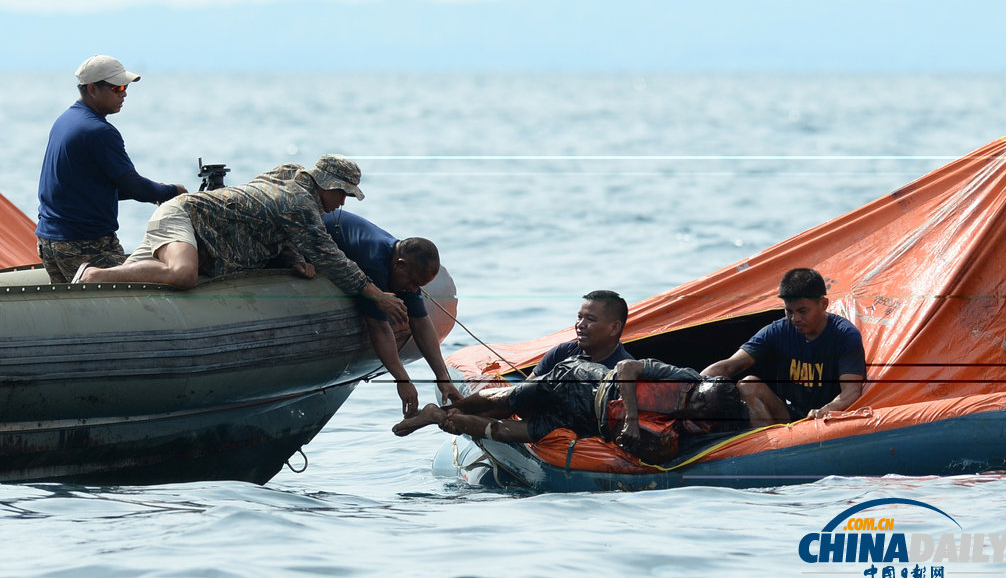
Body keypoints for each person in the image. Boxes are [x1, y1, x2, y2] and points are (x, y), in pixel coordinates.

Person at [75, 155, 408, 326]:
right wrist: (377, 296)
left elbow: (269, 222)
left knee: (137, 285)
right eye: (342, 194)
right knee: (182, 275)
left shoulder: (292, 180)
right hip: (185, 217)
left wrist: (292, 257)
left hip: (205, 237)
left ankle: (92, 298)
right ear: (326, 184)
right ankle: (93, 274)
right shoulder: (300, 203)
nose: (343, 203)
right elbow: (330, 257)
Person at [393, 357, 748, 464]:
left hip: (580, 421)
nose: (691, 406)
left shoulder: (696, 428)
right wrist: (635, 422)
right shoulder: (683, 376)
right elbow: (626, 368)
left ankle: (439, 417)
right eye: (695, 398)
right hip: (577, 381)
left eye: (699, 409)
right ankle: (452, 406)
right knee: (501, 404)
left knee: (505, 431)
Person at [35, 55, 187, 283]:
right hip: (83, 243)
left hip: (49, 241)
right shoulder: (99, 131)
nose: (124, 93)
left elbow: (89, 188)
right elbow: (133, 186)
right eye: (117, 88)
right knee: (129, 293)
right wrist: (173, 192)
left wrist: (158, 191)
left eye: (125, 87)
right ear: (93, 89)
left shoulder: (66, 120)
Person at [323, 209, 463, 416]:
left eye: (419, 286)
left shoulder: (403, 267)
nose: (414, 290)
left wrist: (443, 378)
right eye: (414, 283)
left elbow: (421, 321)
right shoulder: (374, 262)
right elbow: (378, 326)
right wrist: (402, 380)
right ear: (400, 265)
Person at [700, 268, 866, 428]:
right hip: (788, 413)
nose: (795, 318)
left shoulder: (846, 335)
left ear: (823, 304)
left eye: (802, 311)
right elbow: (729, 365)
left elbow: (851, 392)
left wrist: (825, 411)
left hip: (827, 418)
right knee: (747, 384)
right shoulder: (778, 329)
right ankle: (767, 448)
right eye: (789, 311)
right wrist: (692, 385)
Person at [527, 290, 634, 379]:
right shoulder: (560, 353)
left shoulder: (626, 372)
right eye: (579, 317)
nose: (580, 325)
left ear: (614, 327)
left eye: (590, 319)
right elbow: (519, 394)